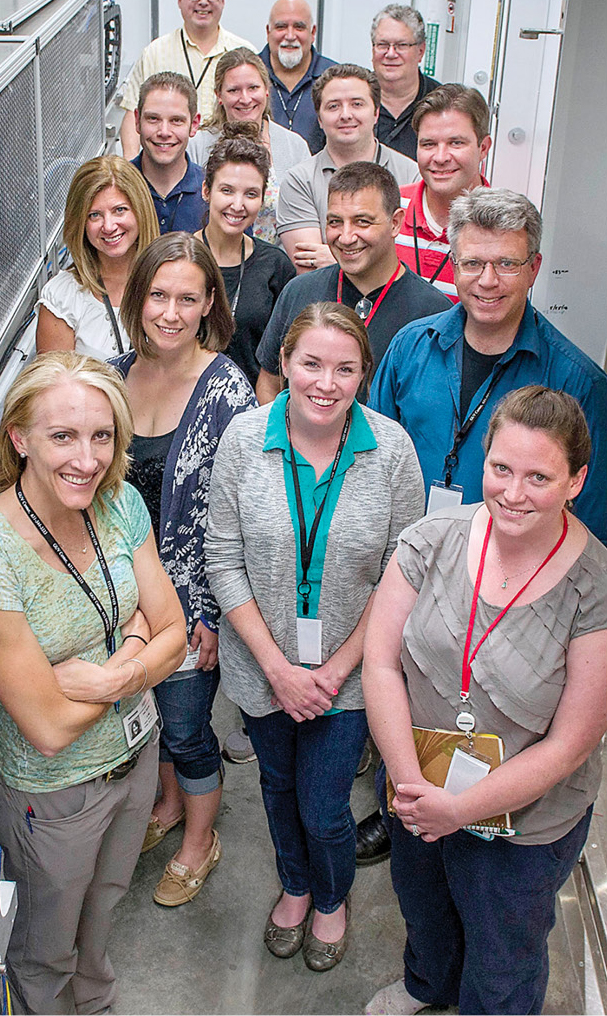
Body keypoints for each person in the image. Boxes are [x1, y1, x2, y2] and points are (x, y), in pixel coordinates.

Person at [363, 386, 607, 1016]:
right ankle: (428, 984)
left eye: (539, 477)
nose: (513, 493)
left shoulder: (594, 589)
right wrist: (413, 786)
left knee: (505, 956)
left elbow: (572, 743)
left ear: (577, 480)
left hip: (528, 824)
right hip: (420, 785)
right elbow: (381, 663)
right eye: (501, 468)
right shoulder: (430, 539)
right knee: (425, 909)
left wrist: (460, 808)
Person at [205, 303, 424, 972]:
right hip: (260, 666)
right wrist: (277, 667)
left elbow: (401, 571)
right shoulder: (245, 439)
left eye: (344, 369)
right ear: (285, 366)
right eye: (311, 365)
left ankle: (331, 896)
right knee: (275, 785)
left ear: (364, 374)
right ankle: (294, 885)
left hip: (353, 677)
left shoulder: (390, 450)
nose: (326, 384)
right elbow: (222, 553)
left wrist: (334, 672)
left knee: (325, 804)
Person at [0, 351, 187, 1014]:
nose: (86, 459)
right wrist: (137, 645)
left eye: (101, 436)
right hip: (55, 793)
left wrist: (105, 677)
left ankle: (94, 1002)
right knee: (46, 943)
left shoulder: (118, 503)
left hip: (134, 756)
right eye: (62, 436)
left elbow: (175, 631)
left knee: (104, 908)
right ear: (20, 439)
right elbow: (45, 727)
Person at [110, 232, 256, 907]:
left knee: (188, 726)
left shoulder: (227, 391)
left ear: (208, 307)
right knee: (148, 718)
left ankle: (200, 840)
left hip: (190, 605)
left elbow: (239, 518)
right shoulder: (111, 376)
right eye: (159, 295)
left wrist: (211, 613)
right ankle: (166, 807)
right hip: (119, 600)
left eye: (187, 299)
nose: (170, 312)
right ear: (138, 298)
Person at [371, 186, 607, 541]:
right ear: (454, 265)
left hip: (514, 582)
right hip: (404, 564)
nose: (487, 281)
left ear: (534, 269)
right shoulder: (409, 348)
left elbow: (590, 528)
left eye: (506, 264)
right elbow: (371, 467)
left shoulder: (578, 384)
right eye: (473, 263)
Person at [255, 162, 451, 404]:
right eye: (335, 222)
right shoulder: (299, 291)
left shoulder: (433, 313)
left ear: (395, 223)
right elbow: (269, 383)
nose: (346, 237)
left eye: (362, 222)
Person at [277, 64, 418, 275]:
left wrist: (333, 257)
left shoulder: (411, 174)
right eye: (333, 106)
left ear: (376, 113)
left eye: (357, 104)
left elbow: (413, 260)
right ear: (320, 119)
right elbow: (309, 269)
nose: (345, 115)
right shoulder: (299, 181)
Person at [118, 0, 255, 160]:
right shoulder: (155, 52)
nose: (203, 1)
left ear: (223, 1)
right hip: (167, 162)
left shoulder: (244, 52)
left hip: (229, 163)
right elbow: (132, 114)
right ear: (180, 0)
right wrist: (130, 167)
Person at [192, 131, 296, 386]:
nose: (238, 205)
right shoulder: (175, 258)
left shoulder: (275, 266)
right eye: (227, 190)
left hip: (253, 408)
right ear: (206, 190)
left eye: (250, 194)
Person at [36, 155, 157, 360]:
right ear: (80, 222)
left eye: (120, 210)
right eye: (94, 215)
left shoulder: (171, 278)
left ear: (141, 211)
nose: (108, 226)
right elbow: (54, 387)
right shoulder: (63, 297)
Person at [187, 47, 310, 246]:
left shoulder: (295, 146)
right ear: (219, 95)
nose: (245, 99)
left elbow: (304, 220)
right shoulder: (197, 145)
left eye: (253, 88)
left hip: (276, 266)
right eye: (234, 90)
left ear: (267, 90)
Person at [395, 84, 491, 298]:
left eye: (455, 143)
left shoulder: (503, 226)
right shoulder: (389, 207)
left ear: (483, 148)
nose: (440, 157)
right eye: (428, 144)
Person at [130, 71, 205, 235]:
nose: (164, 132)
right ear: (137, 120)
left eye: (176, 120)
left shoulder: (212, 193)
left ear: (194, 124)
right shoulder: (117, 187)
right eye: (153, 119)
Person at [259, 0, 337, 155]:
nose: (290, 36)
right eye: (281, 27)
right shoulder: (248, 76)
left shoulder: (334, 79)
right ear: (268, 31)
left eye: (299, 27)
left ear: (313, 32)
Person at [370, 5, 442, 161]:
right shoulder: (352, 99)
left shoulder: (443, 103)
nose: (390, 54)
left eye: (401, 45)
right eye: (382, 44)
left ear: (421, 51)